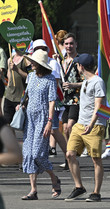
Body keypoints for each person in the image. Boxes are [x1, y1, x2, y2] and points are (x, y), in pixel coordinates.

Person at [20, 50, 61, 200]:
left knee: (38, 154)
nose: (31, 63)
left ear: (40, 64)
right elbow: (27, 95)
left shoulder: (50, 79)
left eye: (33, 61)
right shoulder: (30, 76)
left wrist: (50, 121)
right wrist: (22, 105)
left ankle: (54, 178)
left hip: (42, 118)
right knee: (29, 154)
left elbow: (52, 101)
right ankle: (33, 190)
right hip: (29, 118)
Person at [64, 54, 106, 202]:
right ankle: (79, 187)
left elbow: (99, 106)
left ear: (81, 67)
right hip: (80, 124)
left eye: (77, 65)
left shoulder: (98, 82)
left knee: (96, 159)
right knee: (70, 154)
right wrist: (71, 85)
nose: (76, 67)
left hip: (94, 125)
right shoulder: (86, 81)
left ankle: (96, 193)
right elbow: (83, 86)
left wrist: (91, 124)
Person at [59, 33, 83, 143]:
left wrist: (73, 85)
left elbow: (87, 81)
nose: (69, 46)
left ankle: (73, 151)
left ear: (76, 44)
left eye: (71, 44)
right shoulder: (61, 61)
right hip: (64, 99)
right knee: (65, 129)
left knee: (70, 126)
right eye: (66, 44)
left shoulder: (80, 60)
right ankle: (69, 154)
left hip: (76, 99)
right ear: (63, 45)